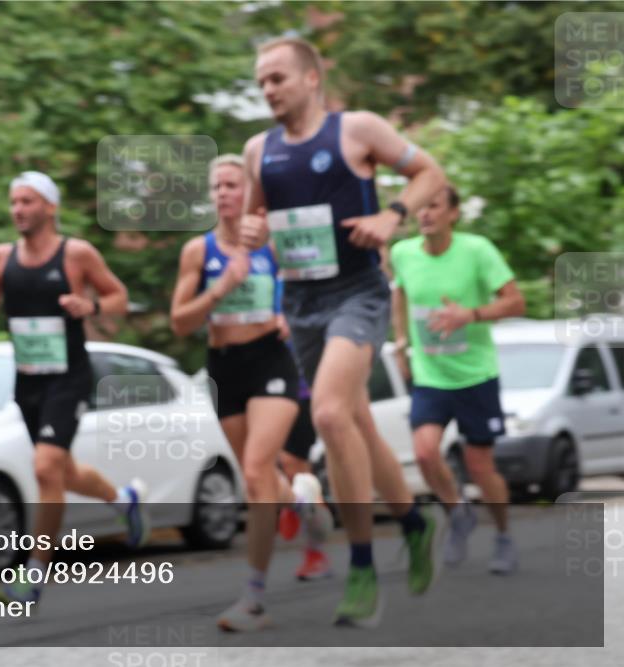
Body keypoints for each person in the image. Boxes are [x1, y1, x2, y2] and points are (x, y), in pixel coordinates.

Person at [238, 37, 449, 627]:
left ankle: (361, 564)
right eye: (261, 82)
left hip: (357, 293)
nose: (268, 90)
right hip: (301, 300)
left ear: (310, 78)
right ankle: (412, 522)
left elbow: (431, 172)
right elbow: (256, 219)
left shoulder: (356, 129)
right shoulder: (259, 149)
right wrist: (254, 234)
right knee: (354, 420)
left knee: (329, 415)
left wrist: (393, 215)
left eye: (277, 78)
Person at [0, 171, 147, 606]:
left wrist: (92, 306)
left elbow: (119, 298)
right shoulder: (0, 257)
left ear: (50, 207)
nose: (18, 210)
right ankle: (123, 500)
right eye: (14, 202)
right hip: (28, 378)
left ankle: (33, 572)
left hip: (69, 377)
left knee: (45, 467)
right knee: (62, 472)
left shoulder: (76, 254)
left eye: (28, 201)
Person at [171, 154, 302, 632]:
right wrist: (219, 289)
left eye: (231, 185)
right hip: (224, 365)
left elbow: (306, 288)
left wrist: (291, 315)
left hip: (272, 358)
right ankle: (300, 500)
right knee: (259, 480)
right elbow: (180, 321)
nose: (223, 193)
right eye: (216, 187)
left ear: (248, 192)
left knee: (254, 469)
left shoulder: (274, 240)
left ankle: (254, 598)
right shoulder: (197, 251)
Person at [390, 185, 525, 574]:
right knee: (424, 452)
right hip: (431, 375)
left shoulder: (477, 250)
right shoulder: (403, 253)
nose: (425, 214)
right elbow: (399, 293)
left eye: (434, 206)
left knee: (480, 466)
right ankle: (458, 512)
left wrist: (470, 315)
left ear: (453, 214)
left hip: (476, 375)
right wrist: (400, 343)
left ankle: (502, 534)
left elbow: (516, 302)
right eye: (421, 208)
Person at [277, 372, 333, 581]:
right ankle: (295, 504)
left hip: (300, 391)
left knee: (296, 468)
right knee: (286, 469)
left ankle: (316, 553)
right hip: (267, 393)